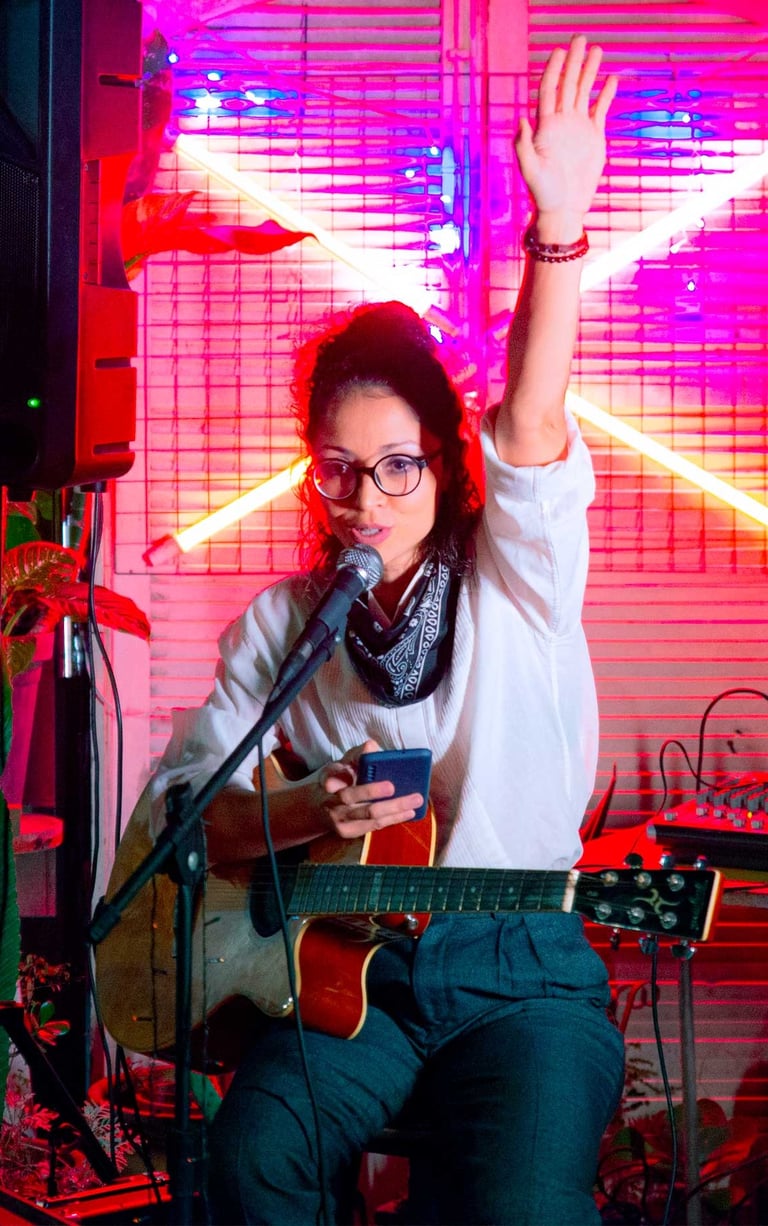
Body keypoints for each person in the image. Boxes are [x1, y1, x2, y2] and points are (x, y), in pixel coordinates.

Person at [149, 33, 624, 1226]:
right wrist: (309, 808)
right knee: (252, 1159)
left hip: (522, 974)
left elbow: (532, 422)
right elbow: (187, 813)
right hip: (353, 969)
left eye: (399, 464)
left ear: (446, 464)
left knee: (519, 1208)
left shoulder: (515, 575)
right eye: (340, 468)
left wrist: (558, 229)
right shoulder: (284, 626)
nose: (368, 497)